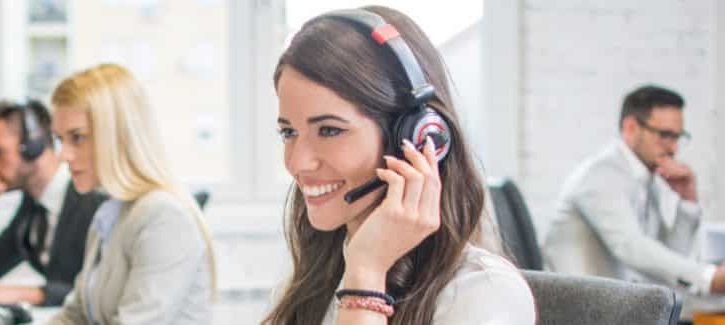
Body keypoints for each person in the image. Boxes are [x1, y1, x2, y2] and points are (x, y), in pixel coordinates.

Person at [263, 6, 535, 325]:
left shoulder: (483, 294)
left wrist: (367, 275)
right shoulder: (315, 276)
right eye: (289, 132)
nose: (298, 162)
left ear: (417, 138)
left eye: (330, 130)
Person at [46, 63, 217, 325]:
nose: (64, 155)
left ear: (117, 136)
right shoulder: (109, 215)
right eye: (60, 139)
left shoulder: (163, 217)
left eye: (77, 138)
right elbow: (75, 315)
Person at [545, 85, 725, 302]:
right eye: (665, 135)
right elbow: (632, 247)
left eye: (678, 137)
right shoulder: (601, 175)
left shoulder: (644, 178)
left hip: (614, 309)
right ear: (630, 127)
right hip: (579, 312)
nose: (674, 149)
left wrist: (687, 203)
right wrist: (708, 278)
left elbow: (663, 264)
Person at [0, 100, 107, 306]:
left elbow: (104, 291)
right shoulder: (32, 208)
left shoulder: (95, 200)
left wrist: (21, 293)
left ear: (34, 146)